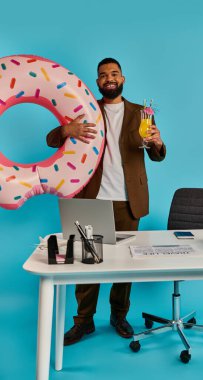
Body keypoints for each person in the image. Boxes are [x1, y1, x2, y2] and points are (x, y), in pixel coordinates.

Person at [47, 58, 166, 346]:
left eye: (114, 73)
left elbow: (157, 154)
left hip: (128, 200)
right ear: (98, 82)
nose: (109, 78)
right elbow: (51, 139)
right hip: (90, 198)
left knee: (125, 267)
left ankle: (118, 316)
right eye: (103, 75)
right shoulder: (84, 110)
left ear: (123, 78)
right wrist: (66, 131)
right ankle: (83, 322)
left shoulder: (142, 112)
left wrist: (158, 142)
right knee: (86, 266)